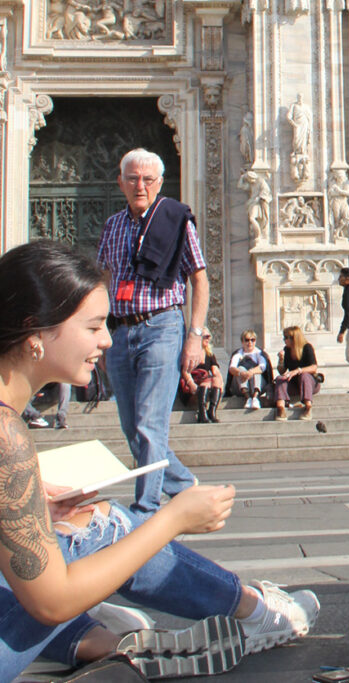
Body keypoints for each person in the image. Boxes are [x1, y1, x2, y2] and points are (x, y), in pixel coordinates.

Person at [0, 241, 320, 680]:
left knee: (74, 523)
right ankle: (255, 611)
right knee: (105, 525)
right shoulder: (6, 435)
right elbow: (50, 600)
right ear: (36, 334)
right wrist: (170, 520)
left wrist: (28, 510)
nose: (108, 340)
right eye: (94, 326)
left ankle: (101, 642)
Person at [97, 147, 205, 518]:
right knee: (133, 428)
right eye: (132, 178)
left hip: (161, 326)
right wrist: (95, 330)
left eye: (147, 179)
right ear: (120, 182)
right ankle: (182, 484)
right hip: (121, 331)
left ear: (159, 183)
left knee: (149, 423)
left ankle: (146, 507)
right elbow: (104, 280)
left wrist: (195, 335)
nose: (139, 185)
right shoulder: (112, 226)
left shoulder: (176, 221)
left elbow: (199, 278)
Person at [274, 326, 319, 421]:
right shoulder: (287, 350)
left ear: (294, 338)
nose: (284, 340)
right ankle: (280, 408)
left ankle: (308, 407)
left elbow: (314, 367)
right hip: (294, 384)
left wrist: (297, 371)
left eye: (286, 337)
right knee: (279, 378)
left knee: (304, 376)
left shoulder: (307, 347)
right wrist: (281, 360)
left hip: (309, 383)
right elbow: (282, 371)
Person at [179, 327, 223, 424]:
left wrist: (220, 382)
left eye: (209, 337)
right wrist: (192, 384)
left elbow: (216, 371)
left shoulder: (209, 354)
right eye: (206, 337)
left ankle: (211, 411)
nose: (208, 339)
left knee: (215, 380)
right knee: (208, 381)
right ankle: (202, 413)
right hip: (190, 384)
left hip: (204, 384)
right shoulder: (190, 353)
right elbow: (185, 372)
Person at [228, 329, 273, 410]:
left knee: (256, 371)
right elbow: (232, 368)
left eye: (252, 340)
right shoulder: (238, 354)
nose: (250, 343)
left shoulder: (259, 353)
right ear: (242, 341)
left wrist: (251, 372)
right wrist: (241, 373)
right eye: (247, 340)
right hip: (240, 386)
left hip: (258, 385)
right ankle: (248, 397)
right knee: (240, 369)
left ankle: (255, 397)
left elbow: (262, 367)